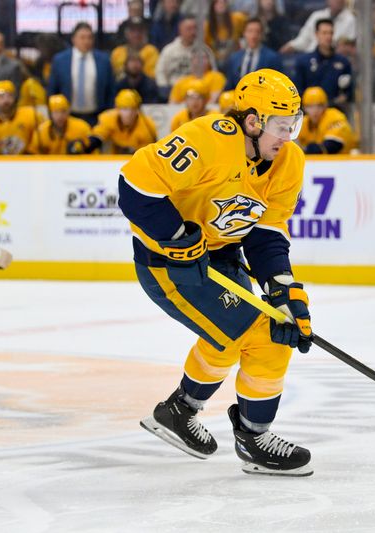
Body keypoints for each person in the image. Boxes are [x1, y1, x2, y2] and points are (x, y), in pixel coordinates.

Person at [118, 69, 313, 476]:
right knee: (265, 340)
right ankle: (255, 438)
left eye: (293, 125)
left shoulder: (288, 160)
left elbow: (266, 234)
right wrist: (176, 235)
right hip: (170, 265)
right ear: (254, 120)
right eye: (281, 126)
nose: (288, 135)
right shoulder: (211, 138)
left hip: (219, 259)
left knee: (235, 335)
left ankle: (179, 411)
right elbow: (134, 186)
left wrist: (284, 292)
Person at [47, 22, 116, 125]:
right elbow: (52, 89)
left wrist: (108, 116)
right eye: (82, 37)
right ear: (73, 39)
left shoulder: (104, 60)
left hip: (97, 117)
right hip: (67, 118)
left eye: (89, 38)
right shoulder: (60, 60)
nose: (86, 41)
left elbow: (111, 90)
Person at [73, 89, 157, 154]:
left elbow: (146, 156)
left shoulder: (148, 126)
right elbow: (97, 138)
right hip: (112, 160)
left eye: (133, 109)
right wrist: (84, 145)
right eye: (124, 109)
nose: (128, 114)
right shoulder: (108, 118)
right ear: (117, 109)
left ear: (137, 110)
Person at [294, 19, 354, 106]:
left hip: (334, 113)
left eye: (331, 33)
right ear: (316, 34)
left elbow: (348, 93)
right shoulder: (304, 62)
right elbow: (298, 92)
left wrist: (341, 99)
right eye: (324, 33)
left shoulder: (343, 62)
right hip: (309, 112)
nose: (328, 37)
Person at [155, 16, 217, 100]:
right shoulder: (169, 50)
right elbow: (160, 72)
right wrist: (164, 87)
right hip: (174, 91)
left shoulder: (204, 50)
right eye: (189, 29)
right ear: (180, 30)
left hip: (199, 93)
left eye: (195, 28)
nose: (193, 32)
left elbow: (213, 72)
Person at [0, 80, 44, 155]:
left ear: (14, 97)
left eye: (9, 95)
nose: (6, 100)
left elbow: (45, 135)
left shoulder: (30, 114)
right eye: (1, 97)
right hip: (1, 165)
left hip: (27, 163)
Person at [223, 19, 283, 90]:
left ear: (262, 34)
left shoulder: (272, 58)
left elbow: (276, 86)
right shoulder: (234, 58)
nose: (253, 36)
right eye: (250, 31)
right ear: (244, 33)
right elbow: (229, 86)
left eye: (257, 32)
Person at [280, 0, 355, 54]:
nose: (337, 1)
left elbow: (346, 46)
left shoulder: (350, 20)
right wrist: (291, 45)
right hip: (310, 57)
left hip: (332, 59)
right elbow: (303, 39)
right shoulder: (317, 16)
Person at [297, 86, 356, 154]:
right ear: (304, 108)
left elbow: (331, 147)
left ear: (325, 105)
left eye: (319, 105)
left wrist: (305, 149)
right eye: (310, 106)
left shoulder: (335, 117)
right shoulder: (303, 122)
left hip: (343, 162)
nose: (315, 110)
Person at [205, 0, 248, 65]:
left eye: (223, 2)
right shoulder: (207, 26)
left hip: (235, 60)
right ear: (212, 6)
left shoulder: (237, 18)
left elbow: (251, 24)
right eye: (218, 3)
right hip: (216, 63)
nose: (221, 5)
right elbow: (207, 49)